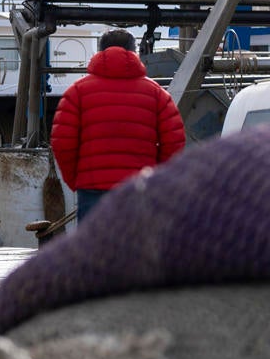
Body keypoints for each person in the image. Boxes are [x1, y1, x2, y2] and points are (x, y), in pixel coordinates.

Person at [51, 28, 187, 220]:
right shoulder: (157, 93)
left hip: (92, 189)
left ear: (99, 52)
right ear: (134, 53)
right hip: (140, 189)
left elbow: (62, 142)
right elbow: (174, 142)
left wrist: (78, 180)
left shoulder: (76, 93)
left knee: (94, 248)